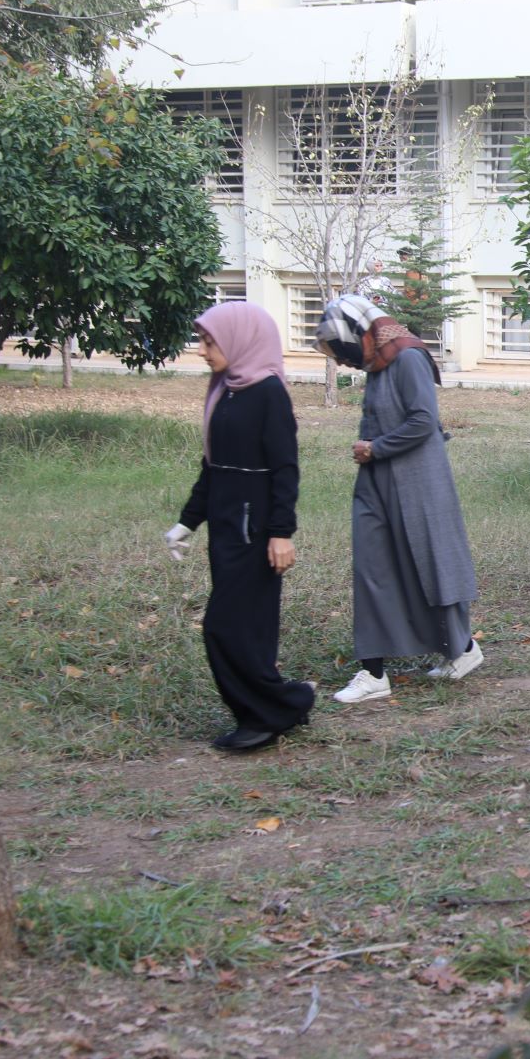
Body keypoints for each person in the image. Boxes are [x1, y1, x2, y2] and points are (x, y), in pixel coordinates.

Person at [314, 294, 484, 703]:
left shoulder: (407, 358)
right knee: (373, 566)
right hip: (377, 483)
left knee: (430, 564)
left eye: (344, 351)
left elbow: (423, 421)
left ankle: (461, 649)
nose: (344, 361)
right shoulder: (378, 363)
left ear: (364, 335)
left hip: (418, 482)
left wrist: (376, 448)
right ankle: (373, 672)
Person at [164, 302, 313, 751]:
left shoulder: (269, 392)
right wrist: (187, 522)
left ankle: (277, 708)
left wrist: (281, 532)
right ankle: (270, 709)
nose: (203, 351)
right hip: (226, 529)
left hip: (257, 531)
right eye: (203, 341)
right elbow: (213, 467)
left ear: (239, 339)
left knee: (226, 627)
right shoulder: (224, 390)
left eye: (210, 341)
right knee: (244, 627)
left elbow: (286, 469)